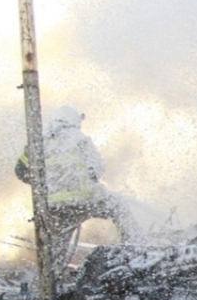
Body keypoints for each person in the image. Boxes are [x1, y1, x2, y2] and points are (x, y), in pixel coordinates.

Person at [15, 105, 139, 253]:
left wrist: (45, 184)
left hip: (55, 207)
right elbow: (97, 167)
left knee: (56, 249)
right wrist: (88, 179)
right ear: (74, 121)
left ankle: (53, 273)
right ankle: (135, 247)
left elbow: (20, 171)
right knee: (119, 206)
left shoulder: (39, 142)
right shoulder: (80, 139)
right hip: (85, 200)